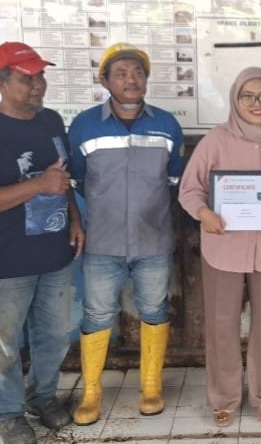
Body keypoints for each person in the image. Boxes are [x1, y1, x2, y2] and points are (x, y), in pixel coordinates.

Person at [0, 42, 84, 444]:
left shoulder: (50, 121)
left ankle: (41, 397)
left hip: (54, 251)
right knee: (4, 344)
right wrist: (37, 185)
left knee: (55, 335)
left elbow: (61, 178)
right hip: (5, 259)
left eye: (40, 76)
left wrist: (75, 218)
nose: (37, 85)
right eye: (26, 78)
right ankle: (7, 413)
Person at [178, 67, 261, 427]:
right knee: (221, 324)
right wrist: (204, 213)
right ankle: (223, 398)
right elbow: (190, 189)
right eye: (248, 96)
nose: (257, 103)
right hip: (224, 248)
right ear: (235, 100)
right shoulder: (216, 141)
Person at [68, 43, 185, 424]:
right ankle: (91, 393)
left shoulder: (167, 124)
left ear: (146, 80)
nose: (131, 80)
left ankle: (151, 386)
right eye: (121, 73)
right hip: (102, 242)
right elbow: (77, 181)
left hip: (154, 240)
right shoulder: (84, 125)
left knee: (154, 310)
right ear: (104, 81)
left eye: (138, 72)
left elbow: (174, 181)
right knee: (97, 314)